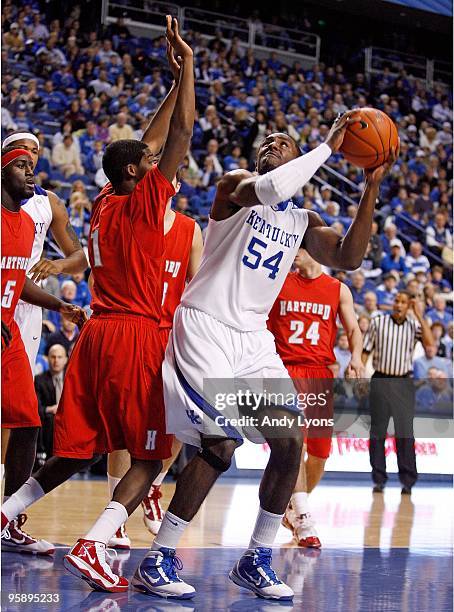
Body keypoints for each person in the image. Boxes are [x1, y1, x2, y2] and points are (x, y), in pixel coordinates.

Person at [132, 111, 397, 601]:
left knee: (290, 441)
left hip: (253, 342)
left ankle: (256, 558)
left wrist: (370, 188)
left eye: (283, 143)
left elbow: (350, 256)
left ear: (297, 160)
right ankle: (158, 557)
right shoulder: (237, 187)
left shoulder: (302, 221)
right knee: (220, 442)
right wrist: (327, 149)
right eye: (269, 142)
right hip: (207, 327)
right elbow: (271, 189)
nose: (272, 145)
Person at [1, 16, 195, 594]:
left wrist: (172, 77)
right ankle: (95, 542)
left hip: (96, 336)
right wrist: (191, 76)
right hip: (136, 335)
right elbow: (178, 134)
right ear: (138, 174)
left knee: (76, 447)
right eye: (155, 166)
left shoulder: (107, 200)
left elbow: (152, 141)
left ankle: (7, 508)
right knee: (151, 456)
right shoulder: (138, 204)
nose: (168, 168)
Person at [107, 173, 203, 549]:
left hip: (170, 334)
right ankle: (114, 513)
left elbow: (196, 288)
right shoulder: (130, 220)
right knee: (122, 428)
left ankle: (153, 487)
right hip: (134, 329)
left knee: (181, 423)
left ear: (176, 187)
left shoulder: (189, 229)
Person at [1, 147, 86, 555]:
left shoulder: (23, 223)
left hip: (11, 332)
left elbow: (16, 282)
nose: (31, 172)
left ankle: (9, 519)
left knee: (28, 421)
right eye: (21, 165)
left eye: (33, 165)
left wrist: (60, 305)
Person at [267, 248, 363, 549]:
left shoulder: (337, 289)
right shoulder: (278, 281)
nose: (294, 252)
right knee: (296, 444)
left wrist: (356, 357)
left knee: (320, 453)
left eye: (301, 247)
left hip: (320, 375)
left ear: (317, 252)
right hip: (284, 370)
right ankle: (305, 517)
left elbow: (354, 328)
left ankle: (294, 506)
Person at [362, 292, 434, 495]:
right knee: (377, 433)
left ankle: (408, 481)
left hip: (403, 382)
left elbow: (430, 344)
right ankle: (378, 479)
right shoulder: (378, 322)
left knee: (405, 433)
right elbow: (365, 351)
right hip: (381, 379)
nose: (399, 305)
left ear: (408, 306)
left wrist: (419, 314)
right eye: (396, 301)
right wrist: (359, 375)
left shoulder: (414, 326)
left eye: (403, 302)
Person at [34, 344, 68, 460]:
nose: (56, 361)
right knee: (51, 419)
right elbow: (37, 408)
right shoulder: (39, 380)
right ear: (47, 358)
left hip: (70, 418)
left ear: (65, 359)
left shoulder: (72, 379)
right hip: (49, 421)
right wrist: (52, 409)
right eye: (53, 357)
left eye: (59, 357)